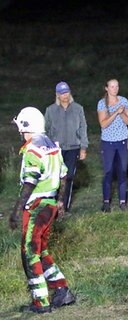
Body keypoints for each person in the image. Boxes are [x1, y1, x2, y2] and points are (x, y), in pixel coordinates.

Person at [10, 106, 76, 313]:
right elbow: (64, 175)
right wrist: (61, 202)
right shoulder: (52, 146)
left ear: (25, 126)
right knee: (41, 250)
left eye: (20, 127)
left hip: (37, 206)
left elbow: (29, 183)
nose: (19, 131)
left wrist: (16, 210)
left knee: (29, 252)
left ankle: (41, 302)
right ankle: (62, 290)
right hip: (50, 206)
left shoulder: (32, 150)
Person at [44, 81, 89, 213]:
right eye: (62, 93)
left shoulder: (78, 109)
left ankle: (64, 205)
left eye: (67, 92)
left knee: (68, 176)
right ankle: (53, 205)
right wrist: (46, 147)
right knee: (55, 177)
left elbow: (83, 128)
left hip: (73, 147)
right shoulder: (50, 110)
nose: (65, 95)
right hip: (56, 149)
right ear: (57, 95)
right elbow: (45, 130)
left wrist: (83, 147)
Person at [97, 79, 128, 212]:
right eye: (112, 86)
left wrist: (122, 112)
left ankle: (123, 202)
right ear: (106, 88)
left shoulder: (124, 101)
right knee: (108, 172)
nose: (115, 89)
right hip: (108, 142)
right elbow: (103, 124)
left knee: (122, 172)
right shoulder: (102, 104)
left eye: (117, 86)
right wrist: (116, 112)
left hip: (122, 141)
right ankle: (106, 202)